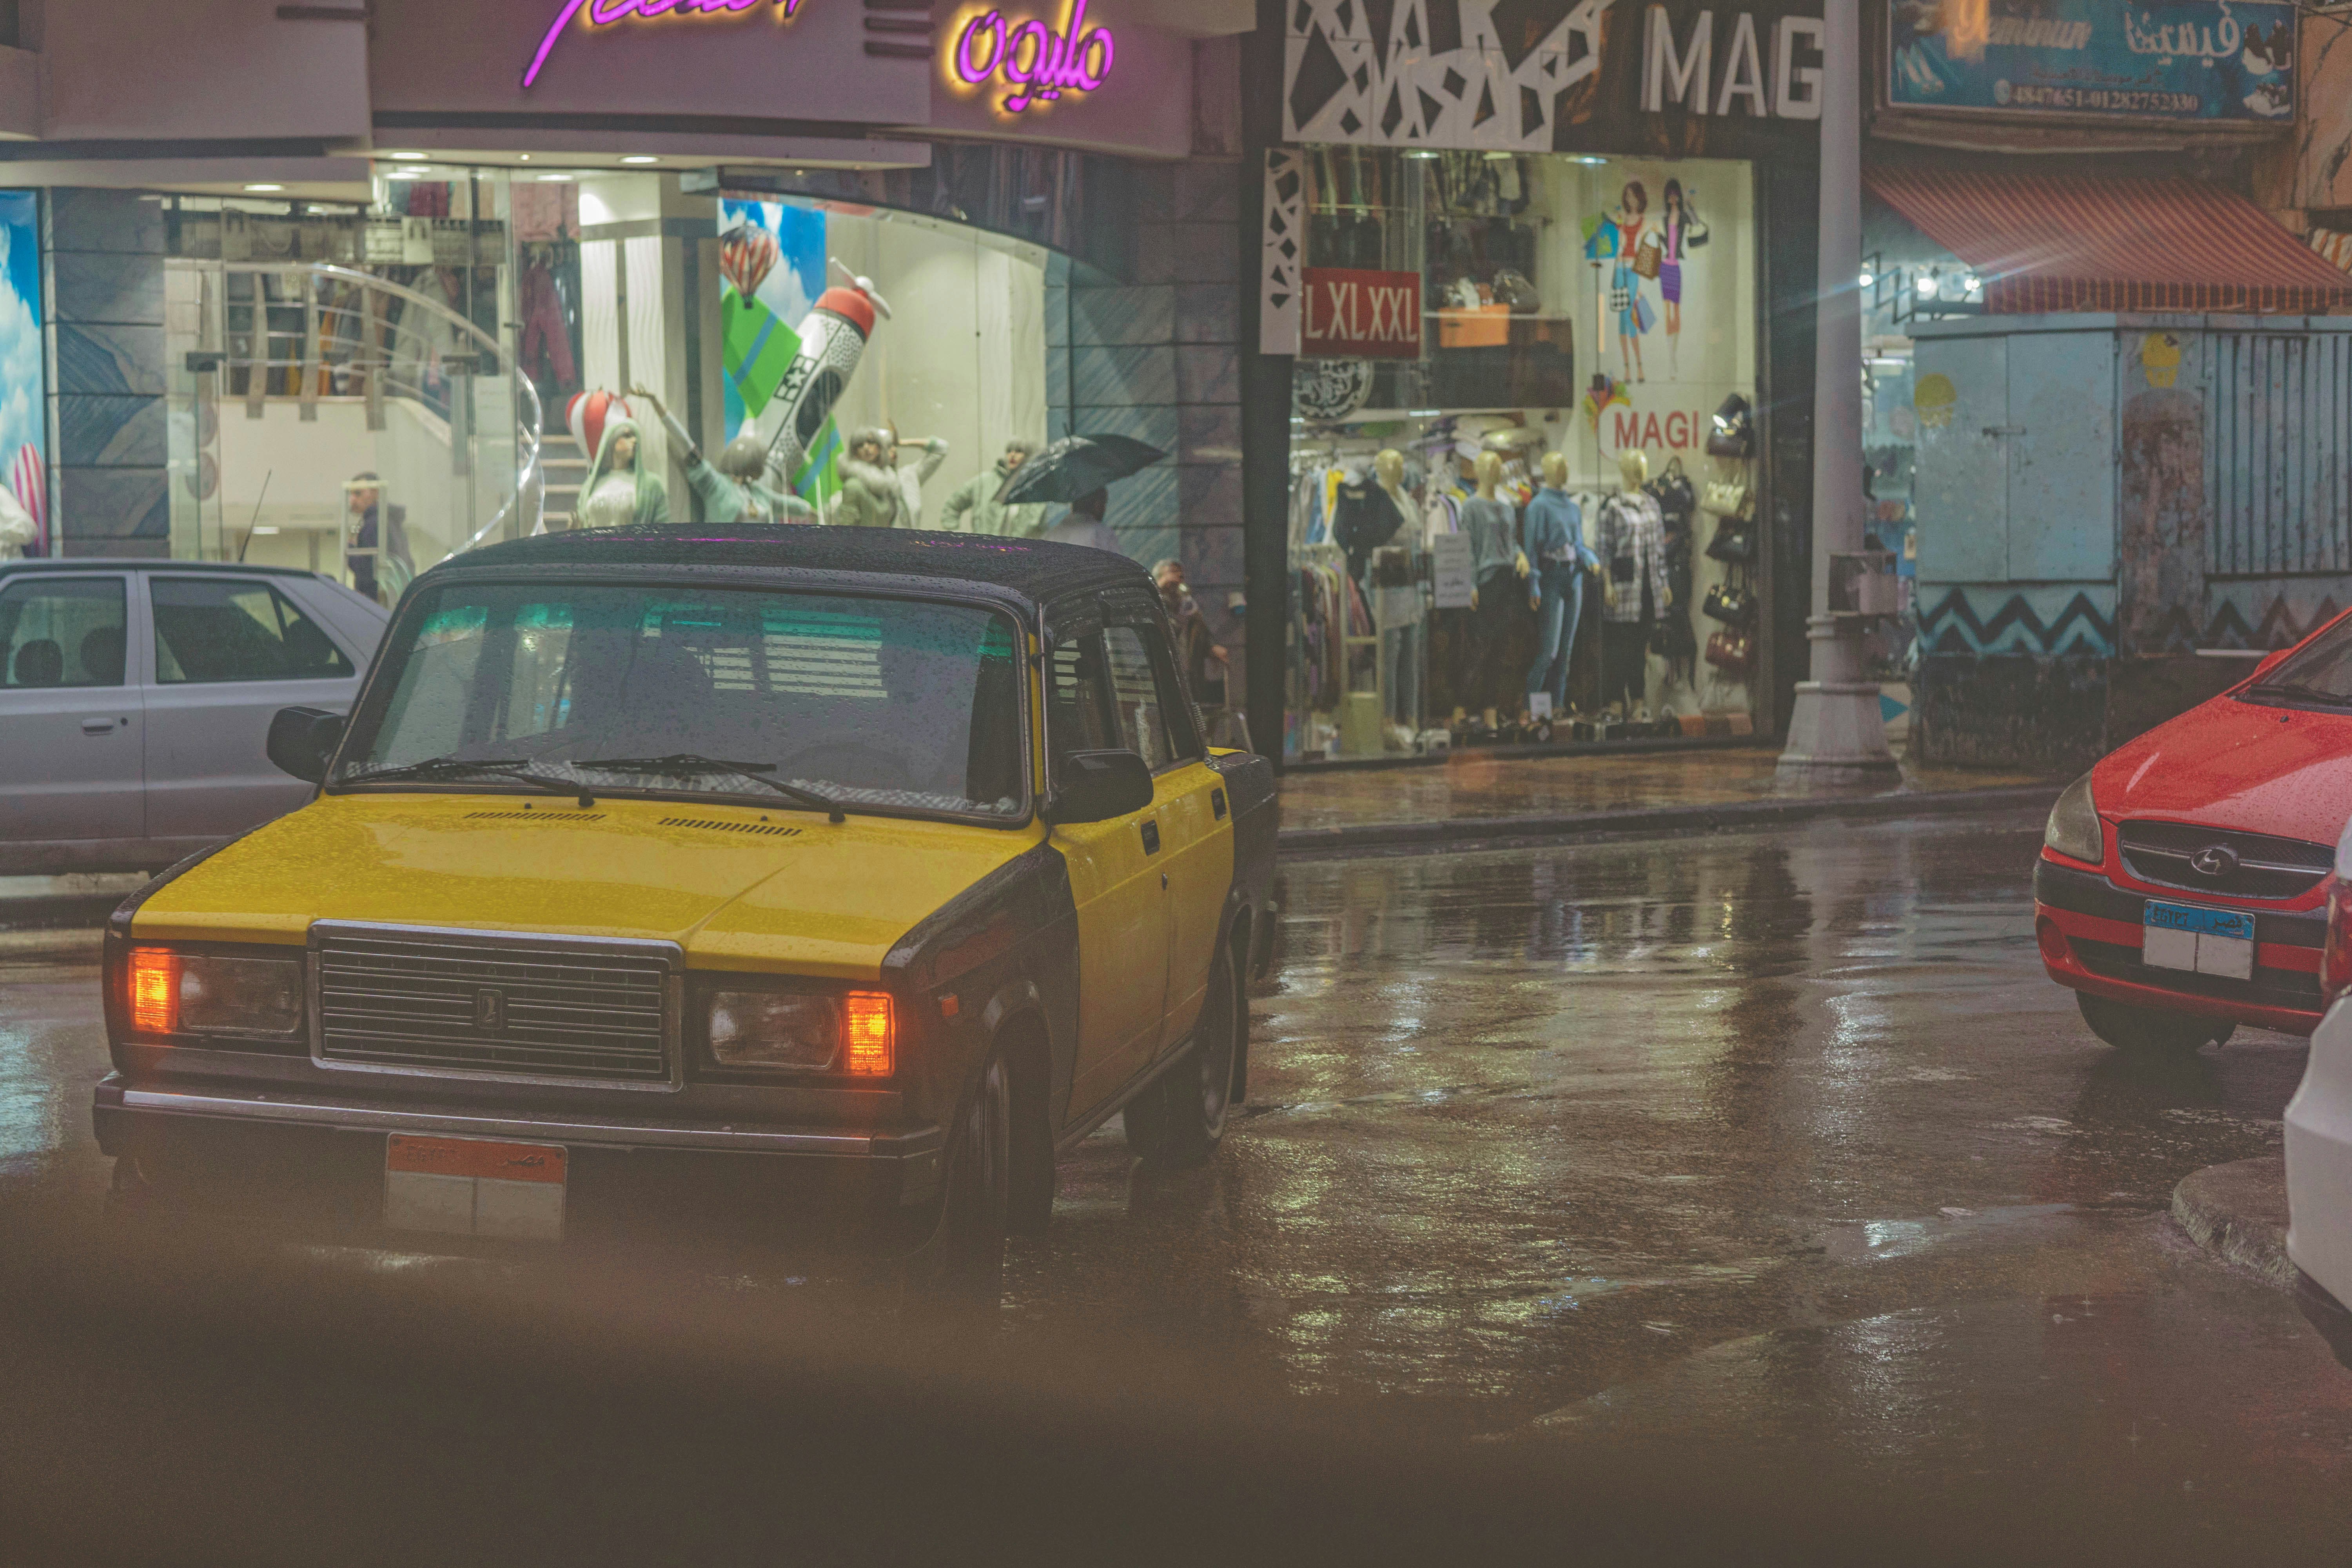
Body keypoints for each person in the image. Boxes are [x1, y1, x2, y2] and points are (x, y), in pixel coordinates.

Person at [633, 385, 812, 524]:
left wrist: (822, 515)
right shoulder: (715, 485)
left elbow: (790, 505)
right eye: (760, 462)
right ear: (751, 462)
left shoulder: (757, 493)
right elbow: (685, 443)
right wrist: (655, 403)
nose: (763, 468)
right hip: (724, 562)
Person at [833, 426, 945, 528]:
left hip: (908, 546)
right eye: (887, 446)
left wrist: (902, 442)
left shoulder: (907, 477)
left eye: (892, 446)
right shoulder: (857, 485)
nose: (892, 450)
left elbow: (941, 449)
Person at [1153, 558, 1229, 702]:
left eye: (1180, 573)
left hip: (1187, 669)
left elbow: (1199, 628)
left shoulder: (1185, 602)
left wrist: (1212, 646)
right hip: (1164, 670)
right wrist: (1161, 585)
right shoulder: (1154, 600)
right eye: (1173, 572)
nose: (1178, 576)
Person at [575, 416, 671, 529]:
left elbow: (664, 529)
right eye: (627, 436)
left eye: (635, 436)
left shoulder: (652, 485)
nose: (634, 441)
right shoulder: (591, 486)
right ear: (612, 441)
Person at [938, 440, 1047, 536]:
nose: (1012, 455)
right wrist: (957, 539)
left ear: (1030, 456)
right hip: (983, 553)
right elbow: (952, 506)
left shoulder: (1035, 490)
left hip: (1018, 555)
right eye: (1009, 451)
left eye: (1019, 451)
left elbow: (1040, 530)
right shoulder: (983, 482)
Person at [345, 472, 413, 604]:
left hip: (376, 602)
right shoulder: (391, 521)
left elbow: (367, 570)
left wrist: (350, 550)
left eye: (358, 493)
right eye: (351, 494)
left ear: (375, 493)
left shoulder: (374, 525)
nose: (352, 500)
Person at [1610, 181, 1650, 383]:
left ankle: (1639, 367)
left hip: (1633, 271)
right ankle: (1627, 369)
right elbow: (1619, 247)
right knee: (1622, 319)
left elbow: (1645, 250)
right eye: (1628, 196)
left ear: (1639, 197)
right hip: (1620, 269)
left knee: (1630, 317)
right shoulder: (1623, 220)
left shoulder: (1644, 221)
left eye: (1633, 196)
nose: (1630, 200)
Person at [1042, 487, 1121, 554]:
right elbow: (1121, 567)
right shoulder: (1103, 534)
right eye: (1104, 504)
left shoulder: (1050, 535)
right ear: (1098, 505)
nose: (1104, 510)